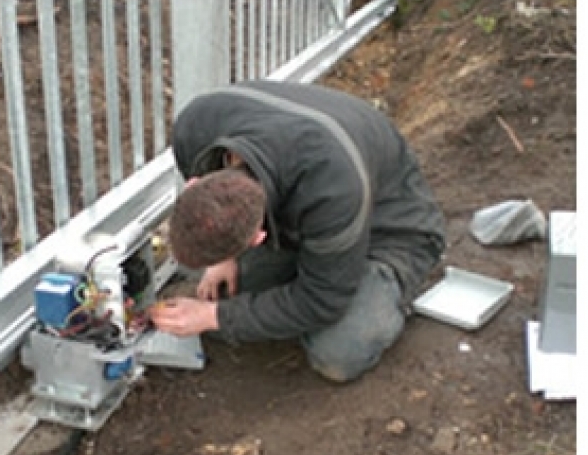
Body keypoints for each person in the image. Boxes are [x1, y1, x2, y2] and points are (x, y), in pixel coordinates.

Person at [149, 79, 446, 383]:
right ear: (194, 185)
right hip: (310, 214)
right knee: (230, 289)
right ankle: (301, 272)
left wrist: (211, 317)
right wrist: (222, 261)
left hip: (387, 229)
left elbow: (320, 301)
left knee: (339, 353)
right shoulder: (196, 127)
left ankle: (392, 287)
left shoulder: (333, 190)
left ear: (258, 238)